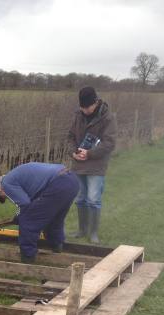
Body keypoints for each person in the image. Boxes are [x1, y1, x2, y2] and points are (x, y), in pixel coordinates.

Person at [0, 162, 81, 263]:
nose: (6, 197)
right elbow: (33, 202)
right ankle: (57, 246)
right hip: (71, 180)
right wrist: (18, 216)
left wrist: (18, 217)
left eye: (3, 197)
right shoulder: (15, 177)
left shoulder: (6, 184)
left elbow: (25, 205)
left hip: (58, 183)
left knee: (28, 220)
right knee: (54, 219)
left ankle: (28, 257)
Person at [66, 86, 116, 243]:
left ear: (95, 102)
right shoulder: (78, 115)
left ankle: (93, 233)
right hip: (78, 164)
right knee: (80, 198)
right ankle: (82, 230)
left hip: (96, 165)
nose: (85, 110)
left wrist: (89, 153)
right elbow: (70, 137)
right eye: (82, 107)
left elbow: (109, 143)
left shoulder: (108, 117)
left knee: (93, 199)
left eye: (87, 107)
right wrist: (73, 152)